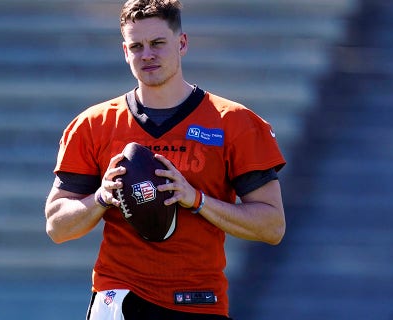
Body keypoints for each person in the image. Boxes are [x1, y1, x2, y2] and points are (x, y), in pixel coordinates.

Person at [45, 0, 286, 318]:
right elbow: (56, 226)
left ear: (182, 43)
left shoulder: (234, 122)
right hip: (119, 296)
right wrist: (101, 197)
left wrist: (196, 199)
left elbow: (272, 226)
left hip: (199, 299)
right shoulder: (94, 125)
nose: (147, 54)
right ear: (125, 51)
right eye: (136, 46)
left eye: (158, 43)